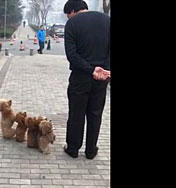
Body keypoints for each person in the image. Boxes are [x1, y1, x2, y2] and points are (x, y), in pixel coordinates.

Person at [63, 0, 111, 159]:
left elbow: (72, 55)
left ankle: (73, 148)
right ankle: (91, 150)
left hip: (80, 77)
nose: (68, 19)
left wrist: (91, 70)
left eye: (68, 16)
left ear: (71, 11)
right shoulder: (107, 20)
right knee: (95, 113)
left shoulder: (72, 24)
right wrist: (105, 69)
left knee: (76, 113)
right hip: (102, 77)